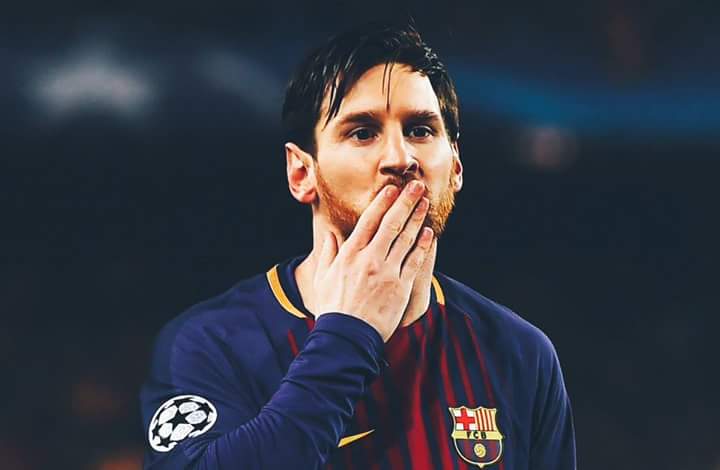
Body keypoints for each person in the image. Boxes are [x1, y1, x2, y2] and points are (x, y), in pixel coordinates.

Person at [140, 23, 576, 470]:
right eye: (363, 132)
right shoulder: (211, 343)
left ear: (457, 165)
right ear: (301, 173)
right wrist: (348, 333)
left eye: (420, 130)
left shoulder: (520, 353)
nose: (400, 158)